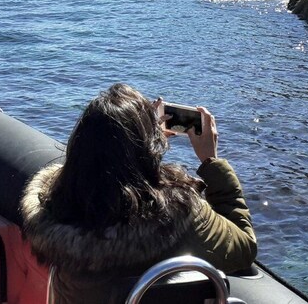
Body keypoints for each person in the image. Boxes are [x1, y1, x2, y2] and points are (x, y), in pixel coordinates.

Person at [20, 83, 256, 304]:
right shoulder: (183, 217)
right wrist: (211, 161)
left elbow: (109, 177)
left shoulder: (56, 215)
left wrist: (143, 147)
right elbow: (244, 247)